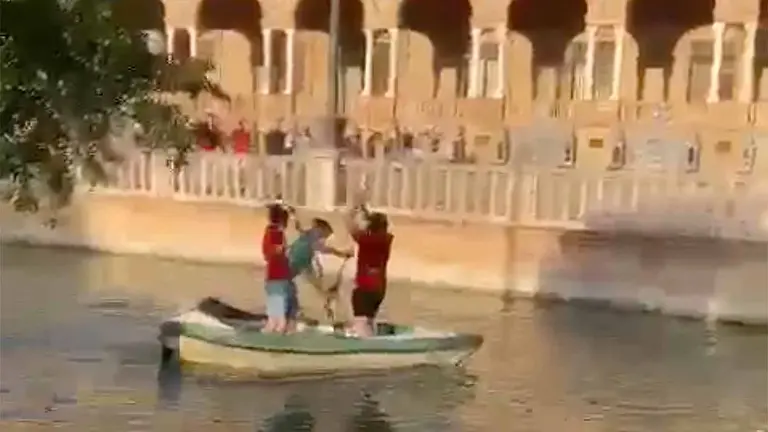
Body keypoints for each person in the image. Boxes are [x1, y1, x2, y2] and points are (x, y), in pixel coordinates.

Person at [284, 207, 353, 330]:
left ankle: (295, 316)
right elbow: (322, 248)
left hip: (297, 265)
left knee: (297, 291)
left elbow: (299, 228)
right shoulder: (315, 236)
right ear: (322, 230)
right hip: (296, 266)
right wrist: (343, 254)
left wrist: (292, 213)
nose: (326, 238)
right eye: (327, 235)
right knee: (299, 291)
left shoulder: (307, 234)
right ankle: (292, 317)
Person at [345, 198, 394, 337]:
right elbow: (370, 225)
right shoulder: (386, 239)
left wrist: (351, 213)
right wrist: (364, 212)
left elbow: (352, 229)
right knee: (369, 320)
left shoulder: (367, 240)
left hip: (365, 287)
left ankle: (365, 344)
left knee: (361, 322)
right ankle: (372, 341)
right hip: (379, 288)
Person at [261, 204, 293, 333]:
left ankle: (275, 325)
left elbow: (272, 252)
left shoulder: (274, 232)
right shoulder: (277, 232)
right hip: (279, 272)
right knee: (277, 300)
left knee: (276, 300)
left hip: (276, 272)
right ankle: (276, 324)